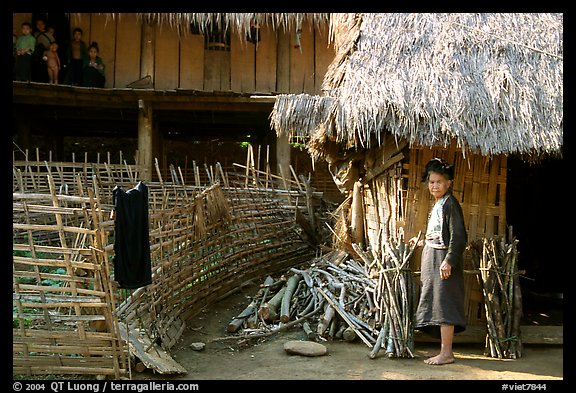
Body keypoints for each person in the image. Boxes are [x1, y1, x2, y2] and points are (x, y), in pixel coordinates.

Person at [410, 158, 467, 365]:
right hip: (432, 257)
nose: (435, 185)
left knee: (445, 304)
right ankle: (442, 350)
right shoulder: (439, 204)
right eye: (431, 182)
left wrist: (449, 261)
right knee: (435, 302)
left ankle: (447, 353)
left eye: (439, 182)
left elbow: (458, 236)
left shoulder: (451, 204)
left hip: (442, 259)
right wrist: (421, 243)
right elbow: (437, 232)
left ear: (449, 183)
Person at [32, 18, 54, 82]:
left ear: (44, 25)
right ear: (36, 26)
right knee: (37, 67)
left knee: (45, 67)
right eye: (38, 24)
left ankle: (45, 81)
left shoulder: (48, 34)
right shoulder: (35, 34)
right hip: (37, 54)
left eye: (41, 24)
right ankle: (37, 80)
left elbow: (53, 44)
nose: (40, 26)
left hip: (46, 53)